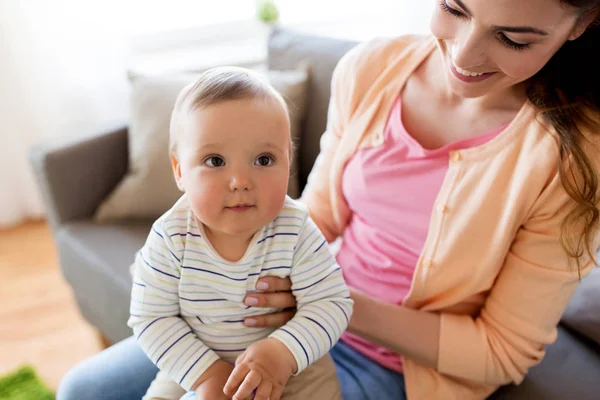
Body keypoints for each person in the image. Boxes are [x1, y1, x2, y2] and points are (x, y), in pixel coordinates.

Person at [57, 1, 600, 399]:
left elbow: (500, 353)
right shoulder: (372, 70)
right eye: (454, 8)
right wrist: (190, 257)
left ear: (580, 24)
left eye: (514, 39)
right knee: (85, 388)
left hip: (395, 364)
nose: (464, 54)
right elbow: (312, 217)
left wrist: (326, 306)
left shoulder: (575, 159)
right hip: (280, 311)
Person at [128, 66, 353, 400]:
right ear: (180, 171)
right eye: (215, 161)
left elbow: (331, 304)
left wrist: (282, 352)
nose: (240, 181)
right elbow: (150, 318)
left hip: (293, 371)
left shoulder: (295, 230)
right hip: (198, 365)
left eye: (263, 159)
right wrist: (207, 374)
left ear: (288, 162)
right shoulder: (170, 238)